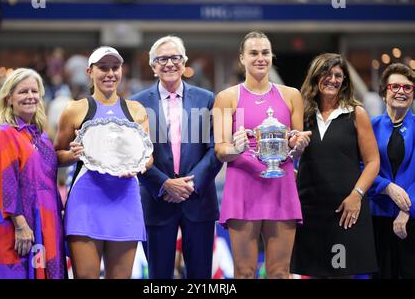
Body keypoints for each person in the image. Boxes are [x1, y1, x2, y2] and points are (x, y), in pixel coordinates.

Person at [214, 31, 311, 279]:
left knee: (279, 273)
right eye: (254, 53)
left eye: (265, 53)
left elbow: (295, 142)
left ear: (272, 56)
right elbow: (221, 150)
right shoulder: (226, 97)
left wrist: (298, 144)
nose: (260, 58)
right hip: (243, 187)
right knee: (244, 273)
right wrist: (236, 148)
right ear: (242, 58)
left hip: (281, 186)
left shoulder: (291, 95)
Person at [54, 46, 152, 279]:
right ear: (90, 72)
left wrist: (138, 167)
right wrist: (74, 155)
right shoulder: (74, 110)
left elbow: (148, 157)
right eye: (103, 68)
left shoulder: (137, 111)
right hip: (86, 202)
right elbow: (56, 155)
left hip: (125, 200)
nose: (110, 73)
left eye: (115, 68)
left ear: (122, 71)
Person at [131, 35, 222, 279]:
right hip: (157, 199)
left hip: (198, 199)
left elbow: (216, 149)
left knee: (200, 276)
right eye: (162, 59)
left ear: (184, 62)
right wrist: (164, 184)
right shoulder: (136, 104)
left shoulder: (207, 98)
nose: (169, 63)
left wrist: (191, 183)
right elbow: (133, 154)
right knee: (159, 277)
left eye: (175, 57)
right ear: (153, 66)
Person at [290, 53, 380, 278]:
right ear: (315, 77)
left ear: (345, 81)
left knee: (340, 273)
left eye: (338, 75)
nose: (332, 79)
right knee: (313, 273)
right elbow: (289, 154)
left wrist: (356, 195)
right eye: (326, 73)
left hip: (345, 211)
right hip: (309, 211)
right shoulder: (302, 115)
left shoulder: (356, 113)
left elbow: (372, 162)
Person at [0, 68, 66, 279]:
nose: (30, 96)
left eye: (34, 91)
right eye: (23, 92)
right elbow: (5, 182)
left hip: (48, 222)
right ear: (9, 97)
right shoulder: (4, 132)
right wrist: (20, 225)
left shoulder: (41, 136)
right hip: (18, 224)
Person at [368, 63, 415, 279]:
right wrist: (385, 187)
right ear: (384, 93)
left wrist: (407, 209)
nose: (401, 92)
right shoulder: (370, 127)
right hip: (377, 217)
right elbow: (360, 166)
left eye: (407, 88)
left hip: (412, 217)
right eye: (395, 87)